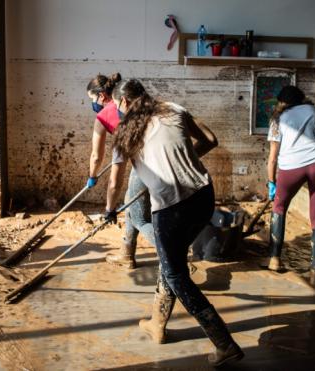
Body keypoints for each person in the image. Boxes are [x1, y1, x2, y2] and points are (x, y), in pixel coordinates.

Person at [103, 79, 243, 366]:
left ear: (125, 103)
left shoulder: (124, 134)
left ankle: (224, 342)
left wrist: (109, 209)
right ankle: (157, 322)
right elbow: (210, 140)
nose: (118, 112)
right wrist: (184, 159)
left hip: (171, 208)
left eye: (118, 106)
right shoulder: (174, 109)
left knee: (177, 274)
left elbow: (115, 181)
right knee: (171, 261)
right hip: (203, 196)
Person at [84, 73, 155, 269]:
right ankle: (127, 253)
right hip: (153, 160)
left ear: (101, 96)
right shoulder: (130, 103)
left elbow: (98, 159)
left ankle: (174, 255)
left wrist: (93, 178)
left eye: (92, 99)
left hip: (146, 165)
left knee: (140, 217)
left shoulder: (105, 117)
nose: (93, 104)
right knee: (130, 201)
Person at [265, 85, 315, 286]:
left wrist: (271, 183)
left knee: (279, 208)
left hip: (290, 167)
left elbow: (272, 158)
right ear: (302, 98)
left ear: (281, 102)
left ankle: (274, 260)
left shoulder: (278, 119)